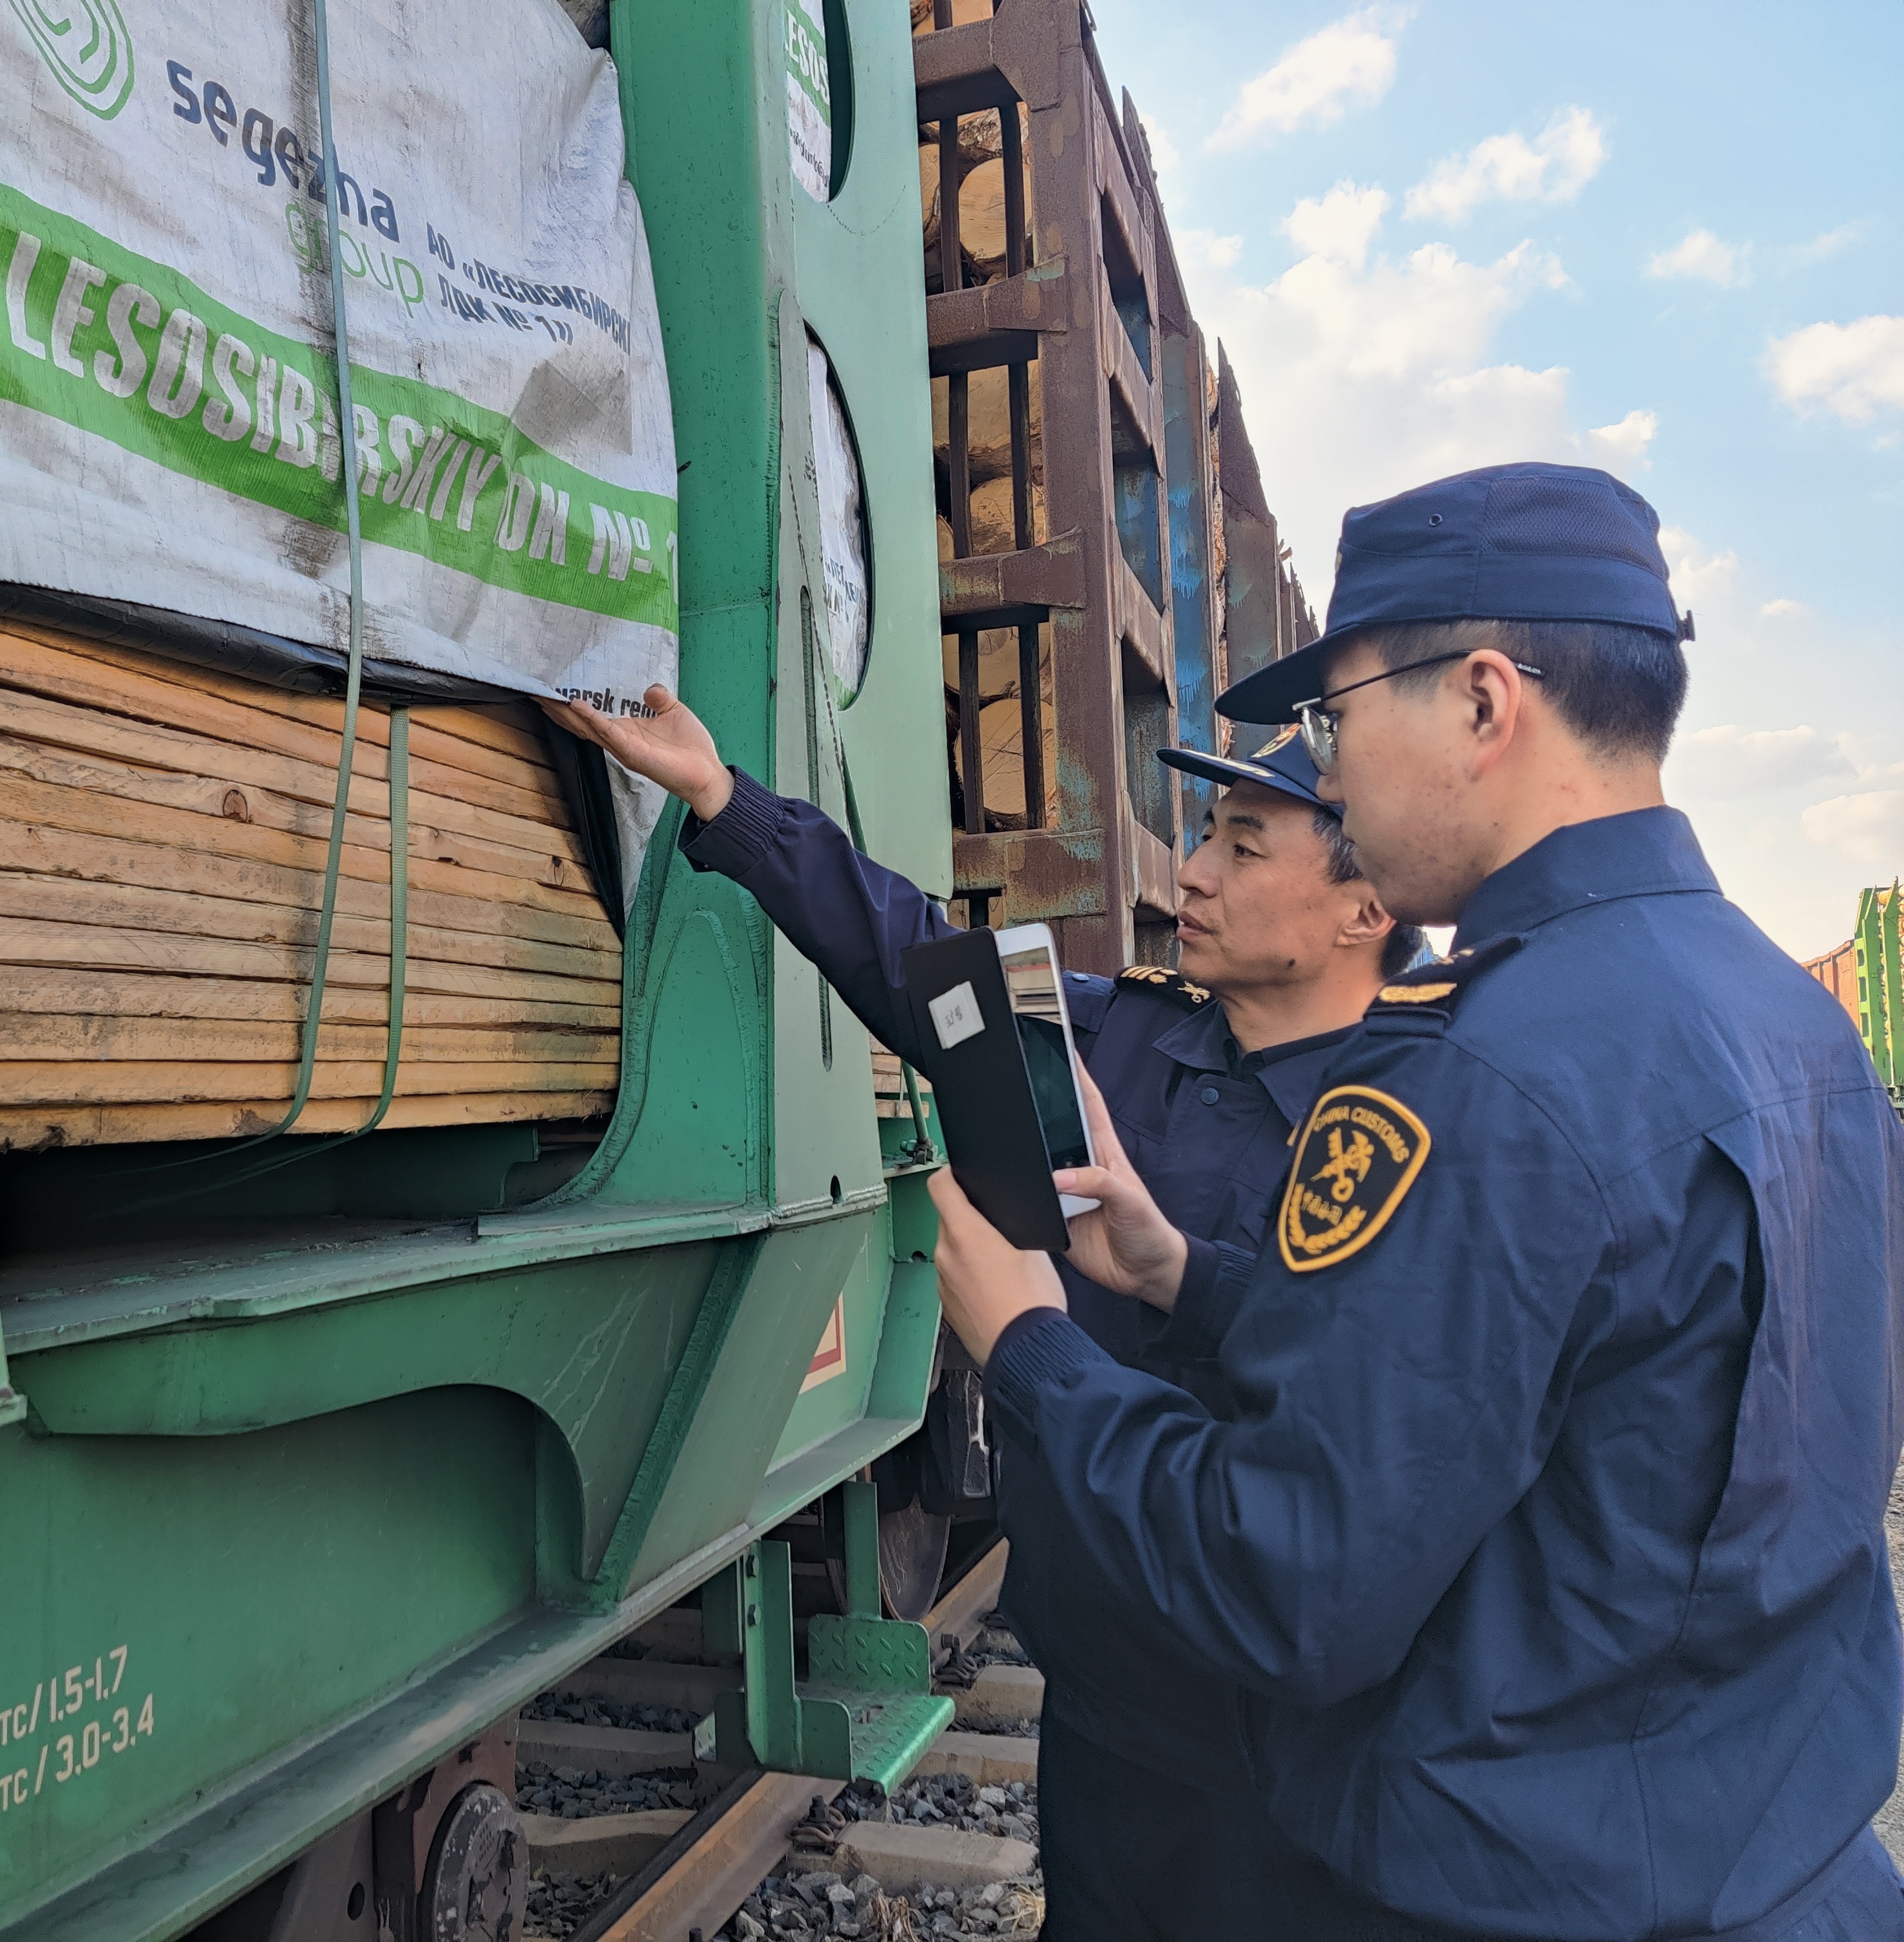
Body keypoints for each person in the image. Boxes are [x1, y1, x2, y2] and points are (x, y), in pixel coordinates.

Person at [930, 462, 1904, 1939]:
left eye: (1336, 717)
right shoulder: (1787, 1021)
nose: (1324, 771)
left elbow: (1287, 1584)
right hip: (1781, 1867)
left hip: (1531, 1886)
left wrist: (1030, 1345)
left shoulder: (1475, 1068)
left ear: (1481, 703)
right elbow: (1593, 1379)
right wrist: (1188, 1275)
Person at [544, 690, 1420, 1936]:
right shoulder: (1122, 1038)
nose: (1198, 874)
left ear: (1365, 908)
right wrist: (725, 805)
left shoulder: (1428, 1119)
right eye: (1208, 835)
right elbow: (913, 958)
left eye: (1242, 845)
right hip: (1108, 1695)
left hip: (1292, 1744)